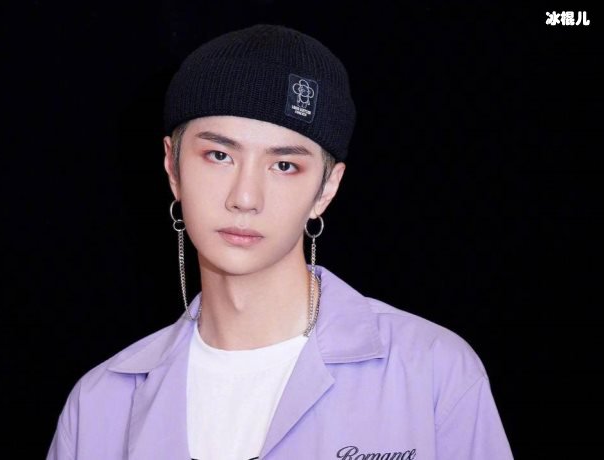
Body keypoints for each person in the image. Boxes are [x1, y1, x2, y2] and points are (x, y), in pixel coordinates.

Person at [46, 24, 513, 459]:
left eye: (284, 165)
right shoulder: (100, 403)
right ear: (173, 167)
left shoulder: (433, 373)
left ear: (326, 188)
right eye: (219, 155)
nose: (245, 198)